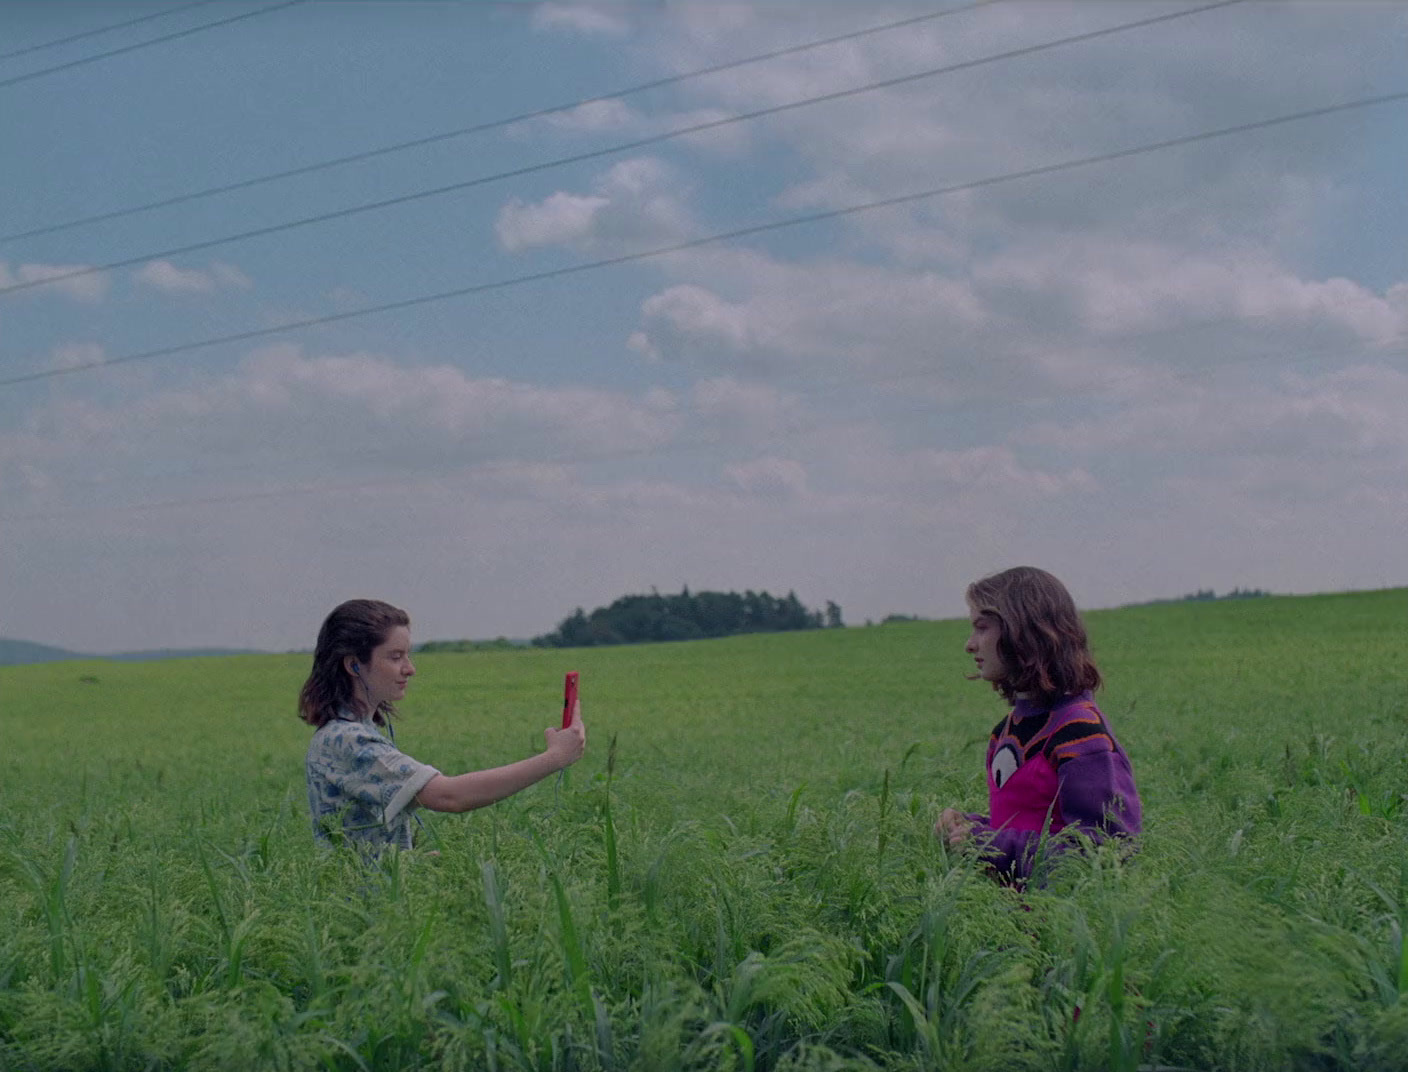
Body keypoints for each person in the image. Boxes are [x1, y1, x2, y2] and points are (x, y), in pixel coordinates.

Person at [299, 599, 585, 853]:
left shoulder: (352, 732)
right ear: (354, 666)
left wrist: (412, 861)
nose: (410, 668)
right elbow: (450, 796)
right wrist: (554, 758)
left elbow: (360, 839)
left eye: (407, 656)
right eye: (395, 656)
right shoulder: (347, 739)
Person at [935, 567, 1140, 884]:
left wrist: (992, 844)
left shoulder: (1080, 733)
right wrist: (969, 830)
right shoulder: (1006, 731)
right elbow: (1031, 826)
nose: (970, 645)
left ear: (1023, 632)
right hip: (1010, 926)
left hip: (1062, 930)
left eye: (982, 628)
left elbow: (1107, 854)